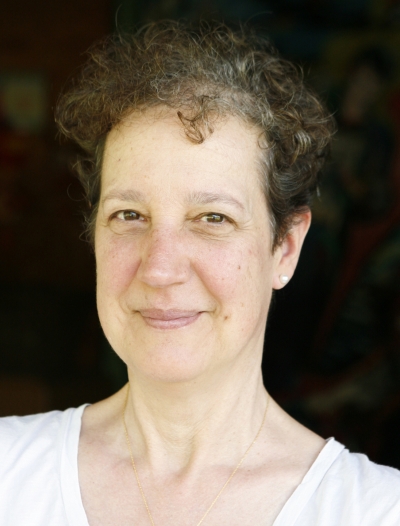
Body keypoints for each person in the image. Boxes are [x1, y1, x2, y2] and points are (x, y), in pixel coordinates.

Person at [1, 20, 399, 526]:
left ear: (285, 249)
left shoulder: (376, 510)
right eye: (129, 215)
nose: (160, 268)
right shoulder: (8, 473)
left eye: (213, 218)